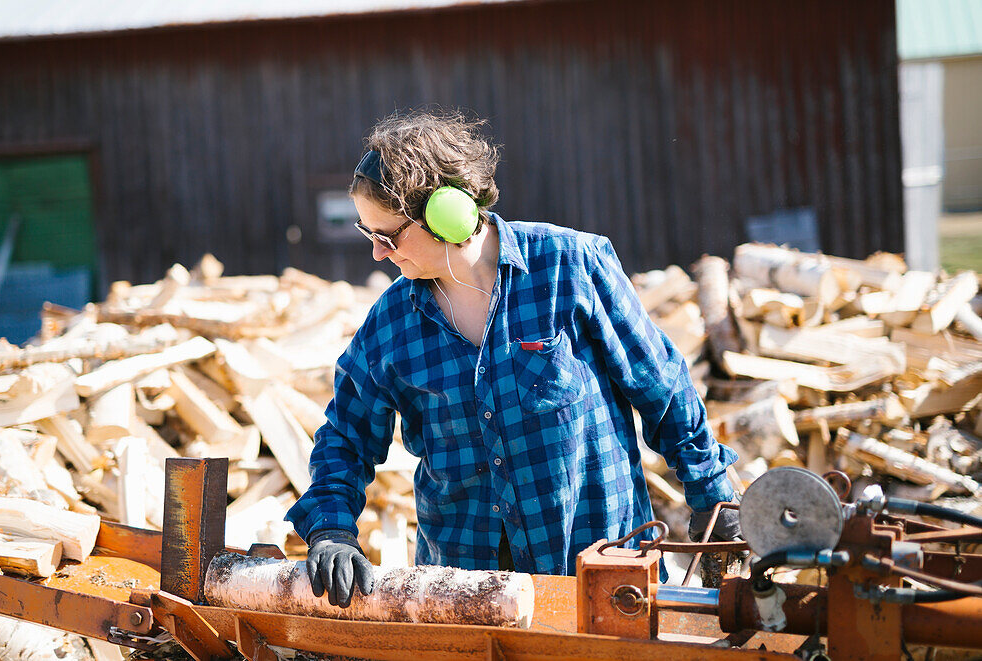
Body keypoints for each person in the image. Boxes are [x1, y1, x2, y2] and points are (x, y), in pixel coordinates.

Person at [285, 108, 741, 608]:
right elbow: (345, 438)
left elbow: (662, 388)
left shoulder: (570, 267)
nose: (377, 254)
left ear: (447, 213)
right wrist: (331, 528)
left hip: (598, 576)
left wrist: (712, 494)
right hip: (461, 595)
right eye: (367, 234)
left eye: (388, 236)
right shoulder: (391, 324)